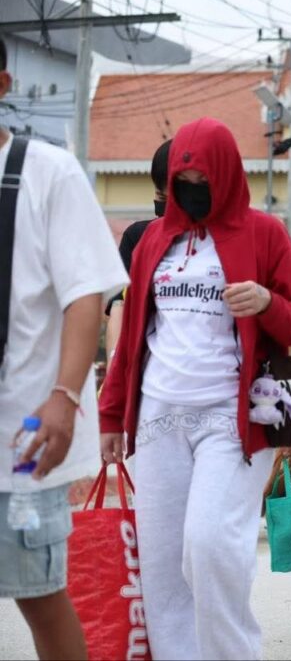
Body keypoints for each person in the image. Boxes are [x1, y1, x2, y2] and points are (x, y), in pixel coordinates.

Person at [99, 117, 291, 660]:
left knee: (211, 545)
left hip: (233, 418)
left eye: (203, 181)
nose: (193, 191)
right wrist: (111, 416)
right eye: (183, 182)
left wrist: (266, 302)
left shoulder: (264, 233)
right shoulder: (152, 241)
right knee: (163, 564)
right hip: (159, 417)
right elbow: (132, 337)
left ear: (227, 176)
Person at [0, 36, 128, 660]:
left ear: (3, 85)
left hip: (23, 437)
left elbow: (85, 295)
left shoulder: (47, 173)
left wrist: (64, 397)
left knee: (39, 595)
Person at [105, 139, 172, 362]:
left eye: (171, 199)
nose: (165, 207)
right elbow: (118, 305)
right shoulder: (138, 237)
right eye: (160, 197)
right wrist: (115, 361)